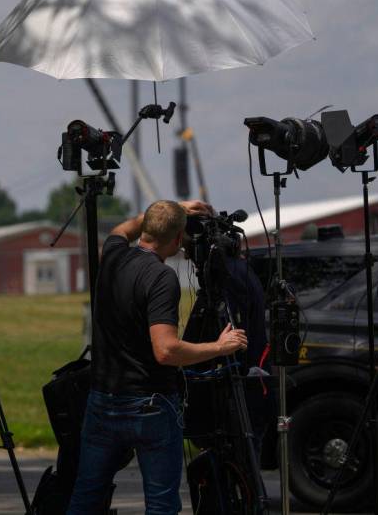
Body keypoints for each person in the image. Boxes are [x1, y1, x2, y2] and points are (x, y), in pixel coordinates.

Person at [66, 200, 248, 515]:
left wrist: (175, 207)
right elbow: (166, 351)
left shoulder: (112, 256)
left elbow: (121, 229)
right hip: (149, 406)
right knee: (161, 506)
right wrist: (220, 347)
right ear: (178, 241)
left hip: (103, 401)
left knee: (86, 498)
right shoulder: (161, 278)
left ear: (147, 228)